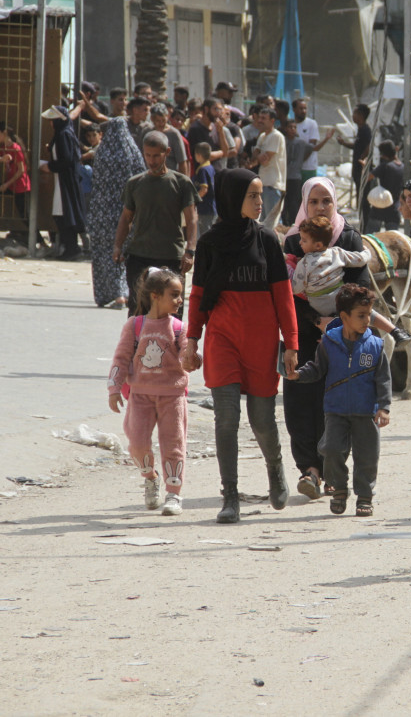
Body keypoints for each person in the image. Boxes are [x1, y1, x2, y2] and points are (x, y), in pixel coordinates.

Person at [181, 169, 298, 523]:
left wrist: (291, 344)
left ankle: (275, 467)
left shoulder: (266, 240)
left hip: (261, 343)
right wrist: (191, 341)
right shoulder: (211, 242)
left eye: (261, 195)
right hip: (223, 340)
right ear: (234, 198)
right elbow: (199, 294)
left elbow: (283, 296)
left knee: (262, 420)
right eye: (252, 196)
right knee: (226, 419)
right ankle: (230, 496)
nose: (260, 202)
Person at [282, 178, 376, 499]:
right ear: (304, 205)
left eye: (327, 201)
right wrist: (313, 320)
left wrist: (334, 322)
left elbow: (360, 289)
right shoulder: (295, 242)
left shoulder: (348, 237)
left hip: (340, 336)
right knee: (298, 399)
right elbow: (289, 295)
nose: (321, 207)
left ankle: (332, 470)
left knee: (334, 404)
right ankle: (309, 469)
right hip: (303, 335)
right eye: (314, 202)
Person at [287, 284, 392, 517]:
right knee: (332, 450)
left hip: (366, 412)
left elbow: (383, 379)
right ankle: (339, 490)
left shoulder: (375, 345)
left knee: (367, 457)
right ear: (344, 317)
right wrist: (298, 375)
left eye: (369, 315)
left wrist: (383, 407)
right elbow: (317, 369)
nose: (367, 321)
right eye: (361, 316)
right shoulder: (329, 343)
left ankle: (364, 497)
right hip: (335, 411)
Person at [107, 267, 190, 516]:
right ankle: (150, 476)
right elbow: (121, 358)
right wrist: (113, 388)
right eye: (174, 294)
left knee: (174, 444)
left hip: (172, 396)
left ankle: (173, 493)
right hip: (140, 395)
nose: (179, 300)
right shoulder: (134, 325)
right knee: (137, 443)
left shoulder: (179, 327)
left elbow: (187, 354)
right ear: (155, 295)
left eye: (181, 295)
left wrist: (192, 358)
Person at [113, 131, 199, 317]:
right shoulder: (135, 183)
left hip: (170, 257)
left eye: (156, 155)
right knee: (138, 310)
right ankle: (135, 347)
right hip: (139, 256)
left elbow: (191, 219)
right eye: (148, 155)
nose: (151, 161)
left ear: (167, 152)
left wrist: (190, 250)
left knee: (172, 311)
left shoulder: (181, 183)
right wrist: (118, 246)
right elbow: (126, 217)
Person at [87, 117, 143, 308]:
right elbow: (141, 176)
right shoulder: (132, 151)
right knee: (122, 251)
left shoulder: (101, 151)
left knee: (104, 253)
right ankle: (123, 293)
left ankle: (108, 294)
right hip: (124, 211)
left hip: (101, 211)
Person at [291, 216, 373, 316]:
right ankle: (393, 329)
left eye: (304, 240)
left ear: (318, 245)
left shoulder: (304, 264)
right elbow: (360, 260)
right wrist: (367, 252)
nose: (300, 243)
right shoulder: (336, 253)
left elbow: (296, 289)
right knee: (365, 311)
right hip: (342, 301)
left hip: (319, 307)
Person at [40, 106, 86, 261]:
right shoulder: (64, 133)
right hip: (63, 180)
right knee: (63, 213)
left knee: (64, 213)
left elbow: (66, 160)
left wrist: (51, 166)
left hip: (64, 180)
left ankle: (72, 249)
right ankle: (70, 248)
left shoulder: (63, 135)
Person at [250, 106, 285, 220]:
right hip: (264, 184)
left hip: (273, 185)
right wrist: (258, 154)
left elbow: (264, 159)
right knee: (262, 221)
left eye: (264, 118)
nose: (260, 121)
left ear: (272, 121)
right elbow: (255, 155)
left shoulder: (276, 136)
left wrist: (258, 153)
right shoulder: (263, 136)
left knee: (271, 221)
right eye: (259, 117)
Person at [365, 141, 404, 232]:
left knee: (371, 236)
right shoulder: (403, 167)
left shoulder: (384, 166)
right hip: (394, 208)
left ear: (383, 155)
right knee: (392, 240)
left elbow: (367, 178)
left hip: (380, 205)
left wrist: (365, 167)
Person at [293, 98, 333, 188]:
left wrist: (299, 162)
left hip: (308, 168)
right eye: (301, 108)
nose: (303, 111)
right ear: (294, 110)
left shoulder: (311, 124)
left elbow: (312, 148)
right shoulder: (292, 126)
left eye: (305, 108)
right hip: (294, 170)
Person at [0, 121, 30, 216]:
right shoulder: (3, 147)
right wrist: (2, 159)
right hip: (11, 184)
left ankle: (34, 231)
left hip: (20, 186)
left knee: (24, 214)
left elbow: (21, 170)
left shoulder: (15, 148)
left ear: (4, 133)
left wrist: (6, 185)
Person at [186, 98, 230, 172]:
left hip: (217, 173)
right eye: (216, 109)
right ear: (206, 109)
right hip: (203, 174)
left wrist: (221, 131)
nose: (218, 113)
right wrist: (221, 152)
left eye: (220, 110)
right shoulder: (196, 129)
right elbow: (203, 156)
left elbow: (226, 152)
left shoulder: (216, 127)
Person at [337, 104, 372, 198]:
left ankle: (363, 212)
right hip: (357, 168)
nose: (352, 116)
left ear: (360, 115)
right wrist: (343, 143)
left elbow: (369, 146)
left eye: (354, 113)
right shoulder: (360, 130)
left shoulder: (366, 130)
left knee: (363, 195)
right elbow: (357, 146)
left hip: (361, 169)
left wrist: (361, 160)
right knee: (359, 193)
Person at [149, 103, 189, 176]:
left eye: (163, 120)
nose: (161, 124)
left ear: (167, 117)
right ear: (152, 119)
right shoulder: (148, 132)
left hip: (169, 176)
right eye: (158, 121)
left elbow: (182, 161)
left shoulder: (174, 134)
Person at [192, 142, 217, 236]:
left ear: (198, 155)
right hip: (212, 206)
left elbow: (204, 189)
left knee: (205, 234)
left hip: (205, 207)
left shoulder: (202, 170)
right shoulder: (210, 167)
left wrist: (194, 201)